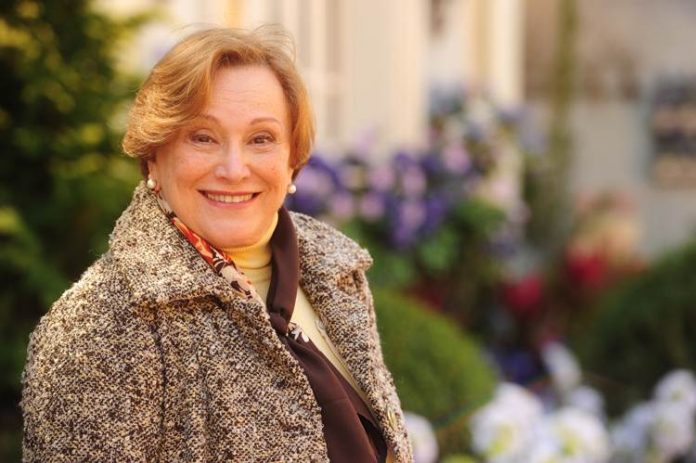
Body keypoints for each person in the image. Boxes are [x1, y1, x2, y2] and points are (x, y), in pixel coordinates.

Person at [20, 26, 412, 463]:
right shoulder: (99, 326)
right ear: (154, 155)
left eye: (261, 139)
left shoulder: (337, 271)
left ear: (292, 159)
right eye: (203, 137)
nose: (234, 168)